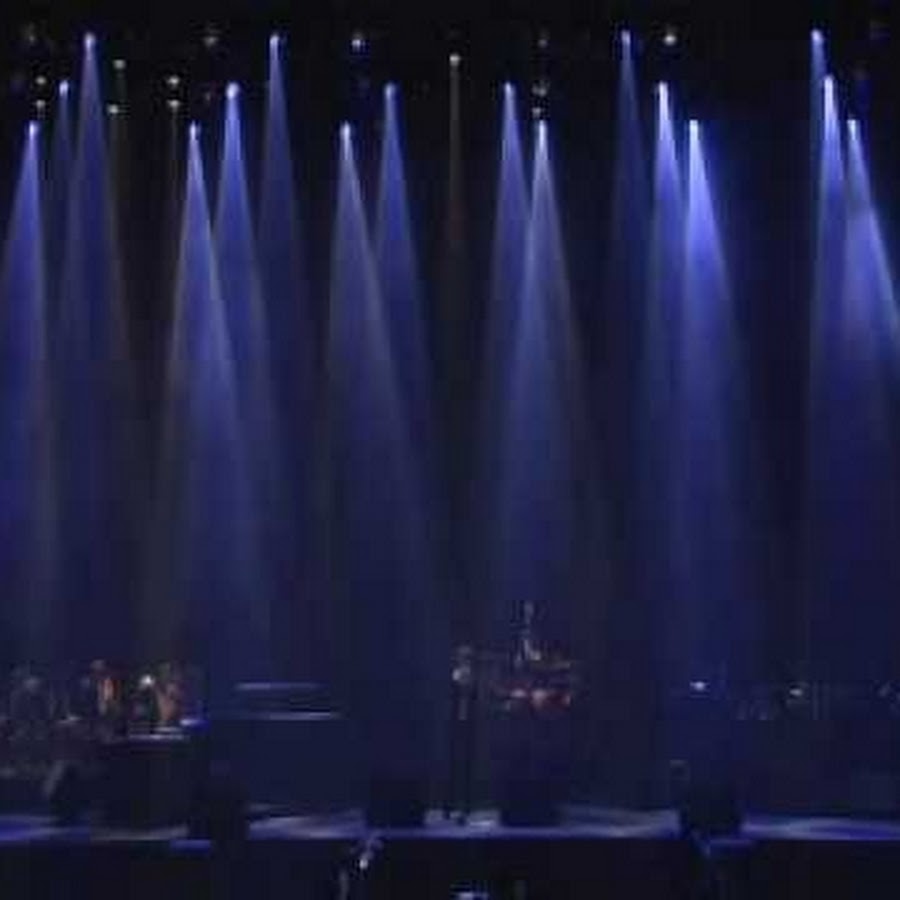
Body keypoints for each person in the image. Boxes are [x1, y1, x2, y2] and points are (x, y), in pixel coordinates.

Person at [444, 644, 477, 823]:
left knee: (466, 766)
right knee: (453, 765)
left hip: (468, 725)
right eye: (462, 656)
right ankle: (449, 807)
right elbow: (452, 696)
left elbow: (473, 695)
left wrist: (467, 683)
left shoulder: (472, 676)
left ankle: (466, 807)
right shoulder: (454, 675)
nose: (464, 660)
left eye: (467, 657)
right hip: (455, 725)